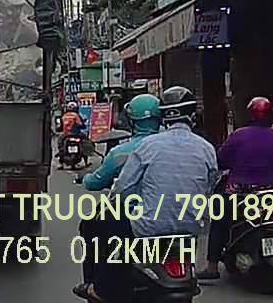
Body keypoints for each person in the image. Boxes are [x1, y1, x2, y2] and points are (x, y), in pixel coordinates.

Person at [74, 86, 217, 302]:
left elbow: (122, 189)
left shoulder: (147, 146)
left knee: (98, 224)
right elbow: (209, 185)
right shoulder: (207, 148)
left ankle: (100, 288)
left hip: (149, 226)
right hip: (192, 227)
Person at [73, 94, 161, 300]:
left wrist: (86, 179)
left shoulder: (121, 152)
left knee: (90, 227)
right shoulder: (169, 148)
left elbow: (96, 182)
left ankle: (95, 285)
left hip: (130, 217)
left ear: (131, 121)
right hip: (172, 214)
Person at [199, 96, 273, 281]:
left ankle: (212, 265)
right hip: (271, 192)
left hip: (240, 192)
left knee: (219, 219)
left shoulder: (238, 135)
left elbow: (222, 159)